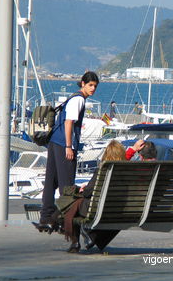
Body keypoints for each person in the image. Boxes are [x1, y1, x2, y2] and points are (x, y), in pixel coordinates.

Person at [37, 71, 99, 230]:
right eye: (90, 85)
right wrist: (69, 146)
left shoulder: (74, 97)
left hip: (54, 142)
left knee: (51, 181)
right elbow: (69, 123)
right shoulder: (78, 99)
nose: (93, 89)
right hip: (63, 144)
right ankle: (62, 219)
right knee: (67, 185)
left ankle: (46, 217)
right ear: (83, 84)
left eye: (95, 86)